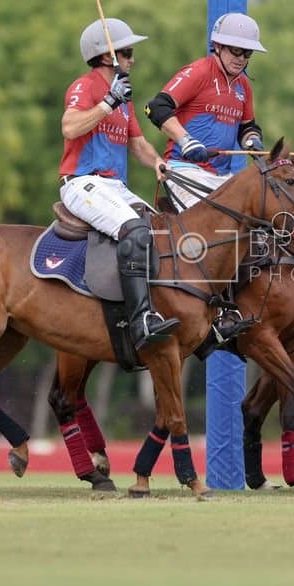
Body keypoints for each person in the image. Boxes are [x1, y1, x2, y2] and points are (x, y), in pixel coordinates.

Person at [143, 12, 266, 340]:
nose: (241, 59)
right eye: (235, 51)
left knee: (259, 229)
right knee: (223, 232)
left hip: (223, 176)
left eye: (247, 53)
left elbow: (247, 126)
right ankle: (217, 310)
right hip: (185, 170)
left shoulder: (242, 88)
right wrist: (186, 139)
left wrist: (252, 141)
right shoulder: (198, 72)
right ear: (217, 46)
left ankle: (238, 306)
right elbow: (156, 107)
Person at [60, 18, 179, 350]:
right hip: (82, 182)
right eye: (126, 53)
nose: (132, 59)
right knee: (134, 231)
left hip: (114, 187)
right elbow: (70, 128)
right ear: (106, 56)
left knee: (163, 234)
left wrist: (158, 162)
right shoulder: (86, 87)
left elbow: (138, 144)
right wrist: (106, 103)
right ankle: (140, 320)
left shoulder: (123, 96)